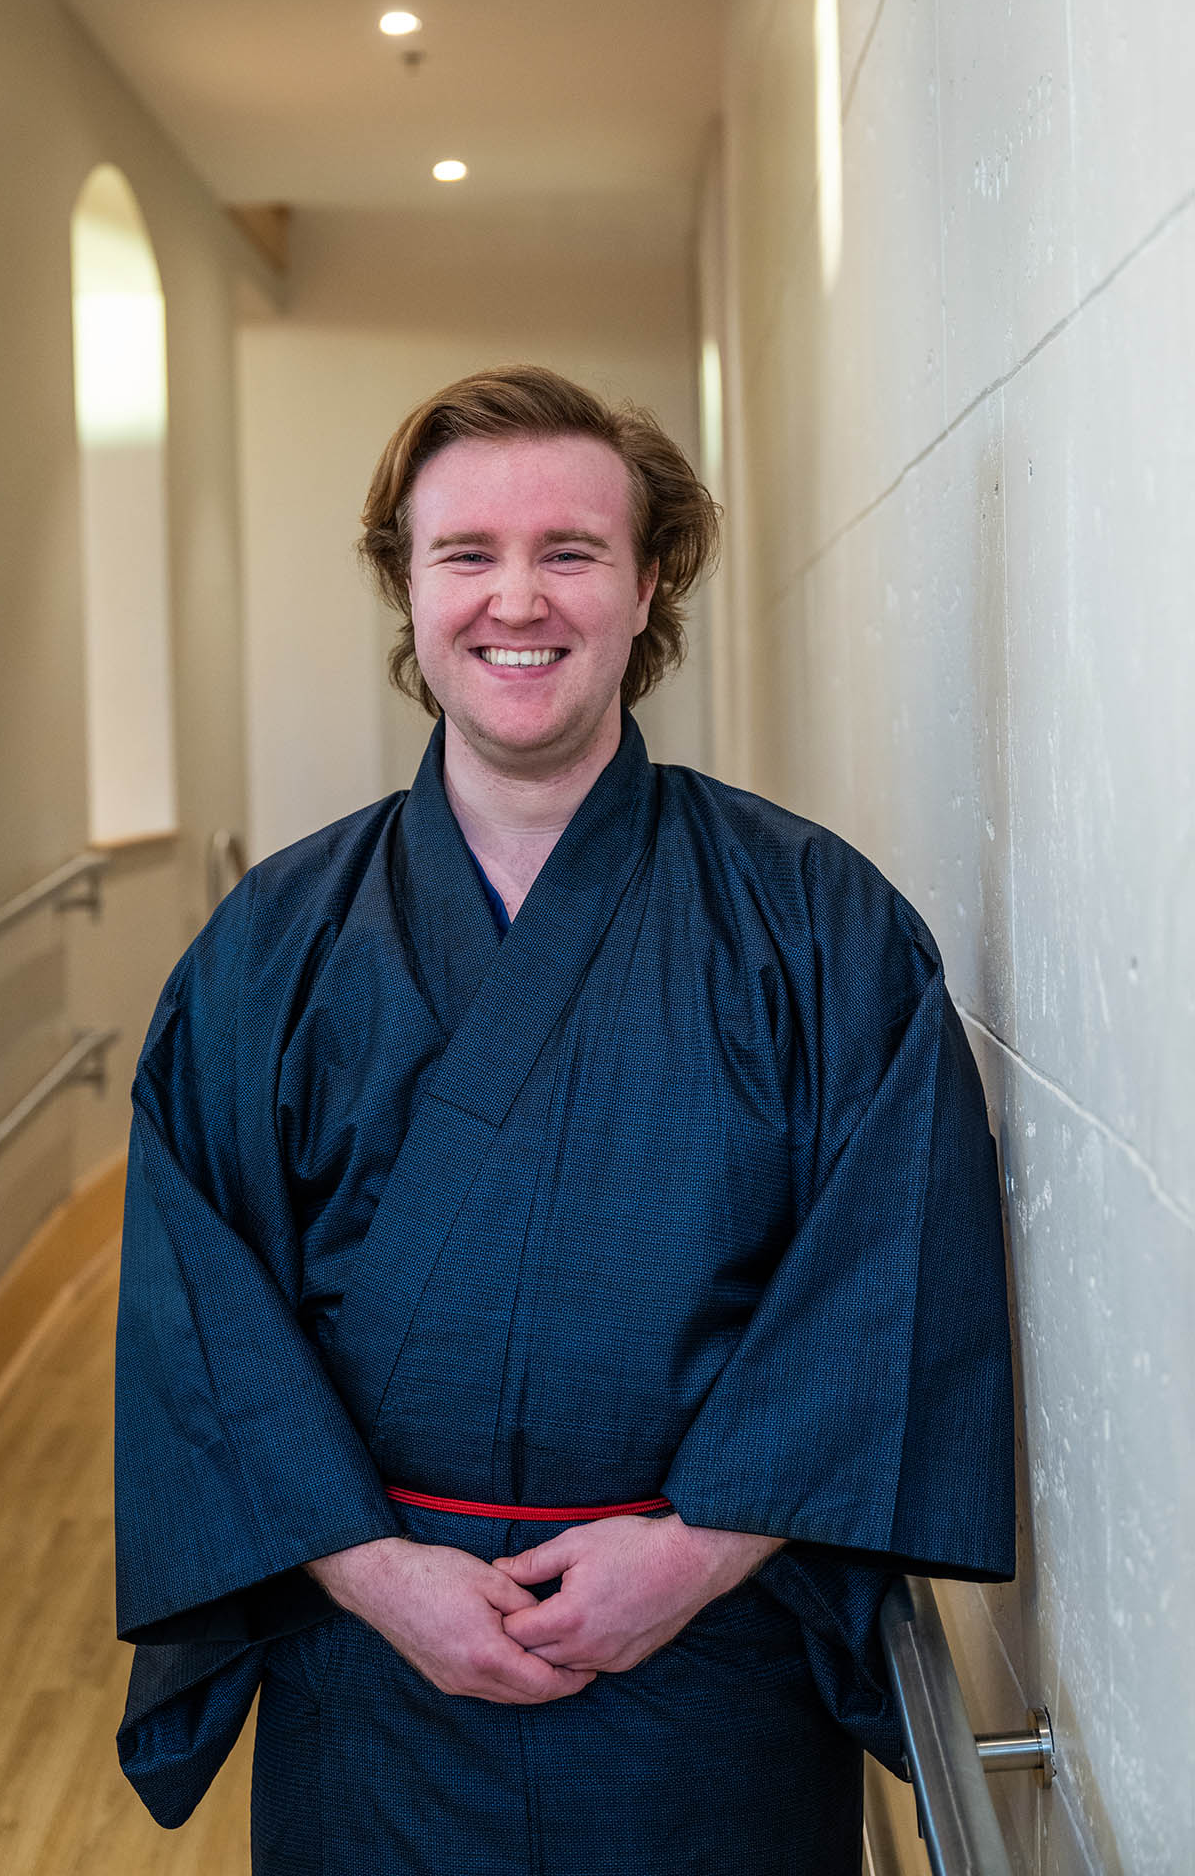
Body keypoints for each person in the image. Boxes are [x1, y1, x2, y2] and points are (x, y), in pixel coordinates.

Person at [112, 366, 1016, 1875]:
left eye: (571, 552)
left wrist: (697, 1554)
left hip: (709, 1673)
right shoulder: (270, 947)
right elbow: (199, 1320)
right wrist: (372, 1574)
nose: (514, 600)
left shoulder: (814, 921)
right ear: (406, 586)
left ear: (649, 581)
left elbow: (894, 1274)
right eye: (465, 552)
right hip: (378, 1677)